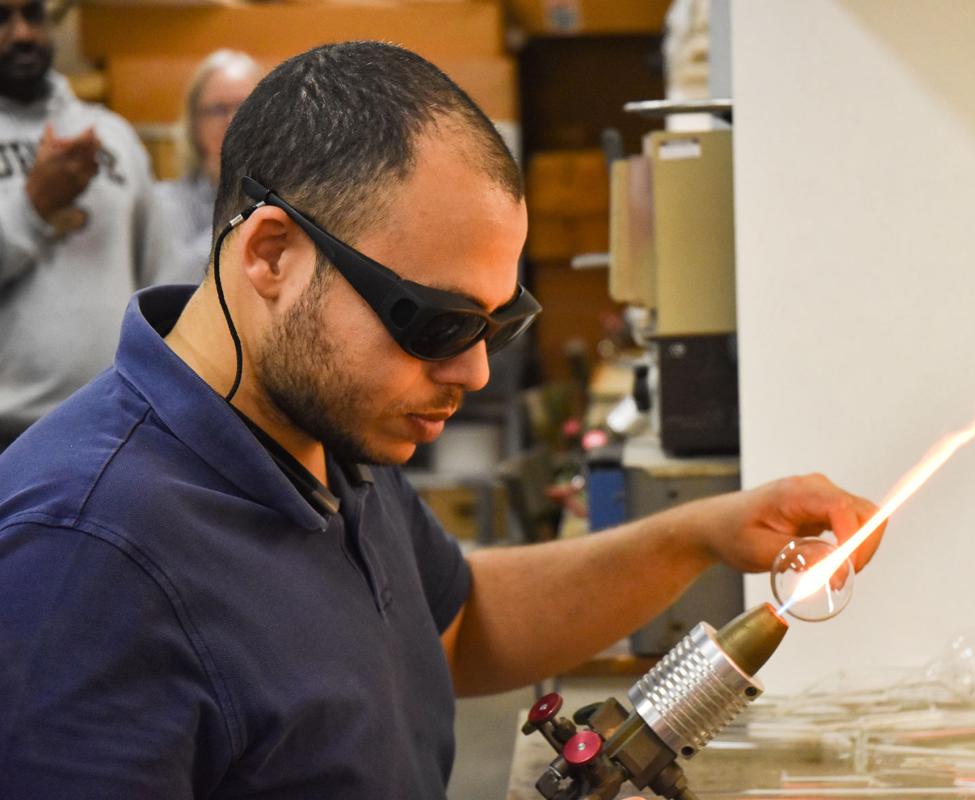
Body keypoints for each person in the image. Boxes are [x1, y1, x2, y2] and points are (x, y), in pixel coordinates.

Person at [0, 41, 885, 798]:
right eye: (437, 322)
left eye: (500, 323)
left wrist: (702, 535)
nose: (473, 369)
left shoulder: (326, 429)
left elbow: (454, 624)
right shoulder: (82, 560)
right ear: (272, 253)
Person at [0, 0, 168, 450]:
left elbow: (158, 275)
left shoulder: (111, 133)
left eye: (33, 15)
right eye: (2, 18)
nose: (22, 35)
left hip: (121, 422)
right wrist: (33, 207)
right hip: (9, 434)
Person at [154, 49, 261, 285]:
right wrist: (237, 197)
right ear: (194, 124)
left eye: (245, 107)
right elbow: (173, 284)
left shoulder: (293, 193)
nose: (233, 121)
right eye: (218, 110)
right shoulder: (165, 202)